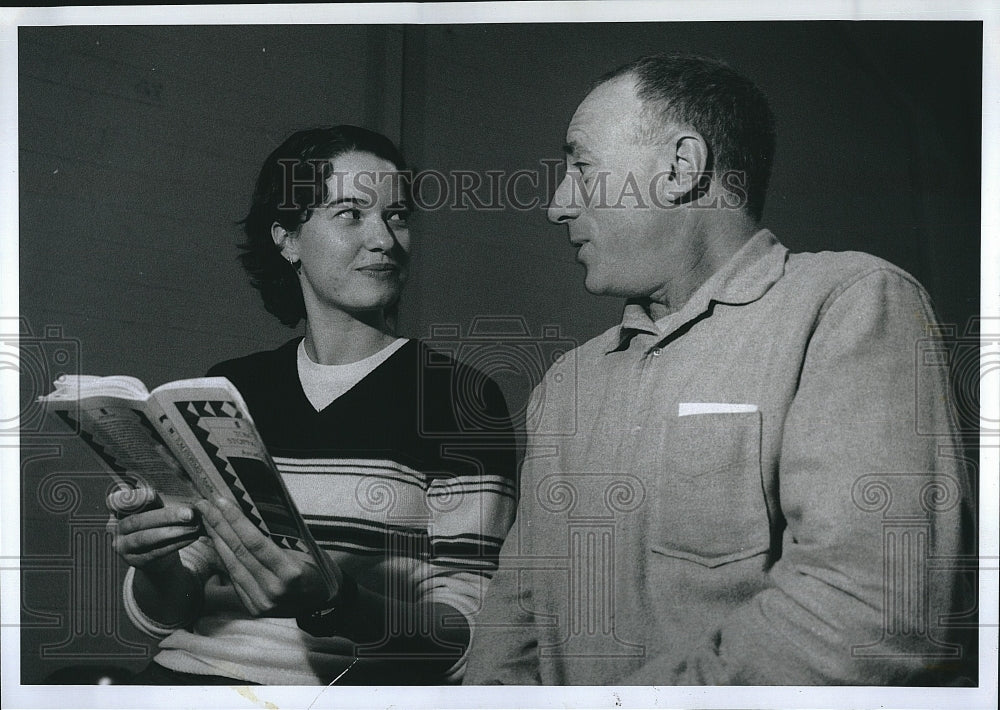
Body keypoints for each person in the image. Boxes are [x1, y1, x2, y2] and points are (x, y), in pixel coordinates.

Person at [464, 54, 972, 685]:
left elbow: (872, 610)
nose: (558, 206)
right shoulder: (567, 383)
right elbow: (511, 629)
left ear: (680, 168)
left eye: (581, 167)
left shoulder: (849, 303)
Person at [108, 125, 518, 685]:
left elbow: (467, 637)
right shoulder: (230, 389)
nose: (384, 239)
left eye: (397, 216)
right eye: (351, 213)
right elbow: (169, 614)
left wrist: (335, 601)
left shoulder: (458, 398)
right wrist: (154, 562)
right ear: (288, 238)